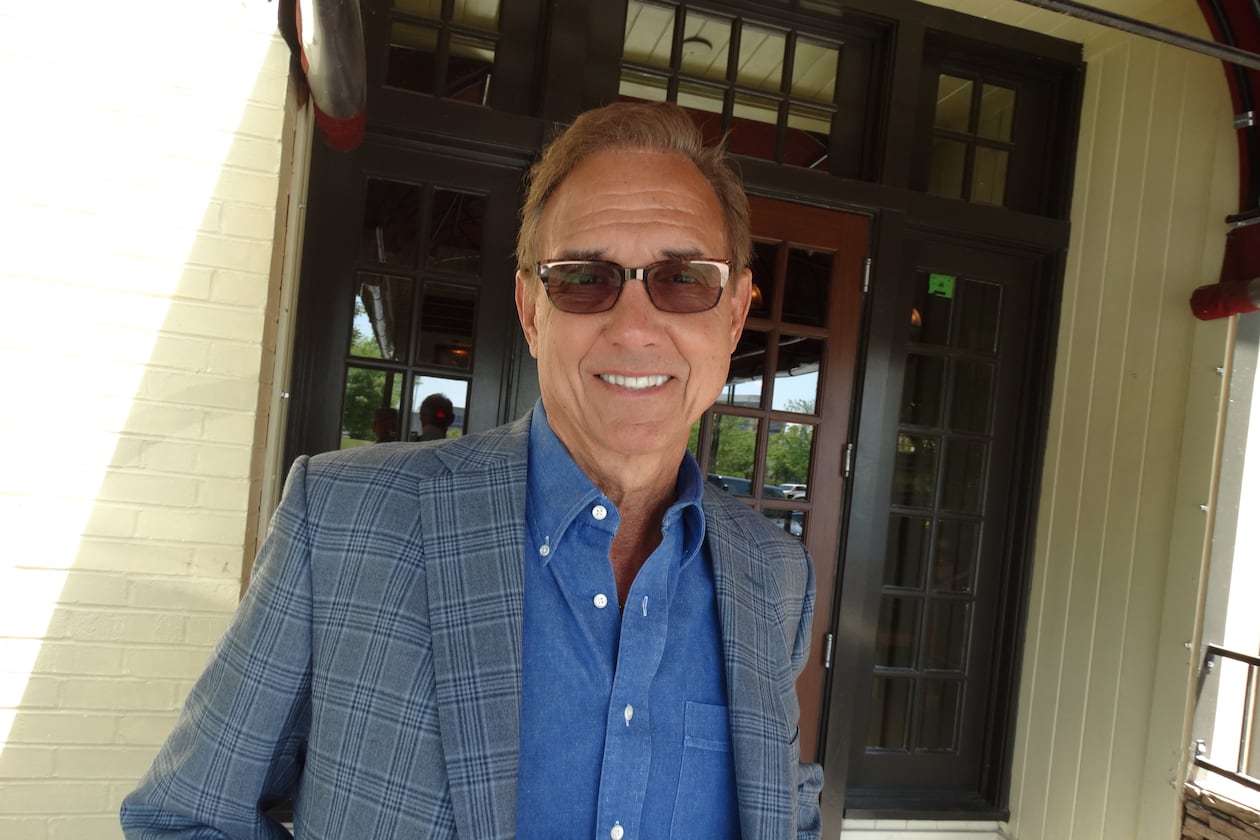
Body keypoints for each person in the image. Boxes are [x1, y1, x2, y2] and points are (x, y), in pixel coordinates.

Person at [121, 100, 820, 839]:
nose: (636, 326)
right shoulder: (343, 523)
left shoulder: (775, 579)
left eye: (684, 279)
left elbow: (785, 814)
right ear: (529, 310)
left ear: (736, 313)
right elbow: (186, 818)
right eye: (584, 277)